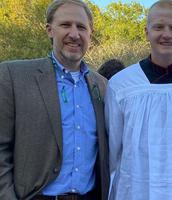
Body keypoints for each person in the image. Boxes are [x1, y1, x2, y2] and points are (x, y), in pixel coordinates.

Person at [105, 0, 172, 199]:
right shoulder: (122, 85)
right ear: (147, 32)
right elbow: (113, 150)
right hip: (136, 189)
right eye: (158, 27)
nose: (166, 34)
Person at [0, 0, 109, 199]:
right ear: (50, 30)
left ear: (90, 34)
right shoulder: (13, 76)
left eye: (82, 27)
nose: (74, 34)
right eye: (66, 25)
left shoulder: (103, 86)